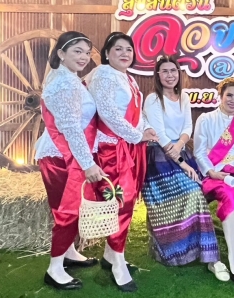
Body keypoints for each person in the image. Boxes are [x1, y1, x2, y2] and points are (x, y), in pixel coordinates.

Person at [142, 55, 229, 281]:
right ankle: (177, 250)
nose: (170, 75)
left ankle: (209, 255)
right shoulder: (153, 99)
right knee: (192, 193)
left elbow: (187, 127)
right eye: (165, 71)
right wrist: (182, 163)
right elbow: (160, 136)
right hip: (159, 158)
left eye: (173, 70)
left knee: (196, 193)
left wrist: (181, 145)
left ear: (178, 73)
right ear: (158, 75)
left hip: (179, 150)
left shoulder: (184, 96)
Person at [86, 32, 158, 293]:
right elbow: (107, 113)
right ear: (107, 53)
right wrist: (137, 135)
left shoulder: (128, 77)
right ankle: (118, 263)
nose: (125, 53)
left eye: (128, 49)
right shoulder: (103, 74)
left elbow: (137, 114)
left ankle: (111, 255)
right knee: (120, 203)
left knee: (126, 202)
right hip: (112, 149)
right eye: (118, 49)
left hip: (129, 146)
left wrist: (146, 128)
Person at [35, 31, 104, 291]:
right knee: (67, 209)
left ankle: (69, 252)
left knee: (72, 207)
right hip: (61, 156)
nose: (84, 57)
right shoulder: (64, 83)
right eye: (77, 51)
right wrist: (88, 163)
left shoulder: (67, 78)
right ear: (61, 53)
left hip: (66, 154)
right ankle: (54, 269)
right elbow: (70, 128)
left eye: (86, 52)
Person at [193, 77, 234, 285]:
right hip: (215, 173)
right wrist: (211, 171)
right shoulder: (206, 119)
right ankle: (232, 254)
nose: (233, 100)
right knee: (229, 196)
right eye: (229, 95)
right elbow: (199, 151)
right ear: (220, 96)